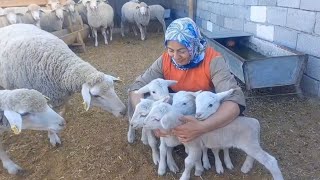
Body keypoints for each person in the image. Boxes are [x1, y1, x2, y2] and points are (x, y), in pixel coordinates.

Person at [128, 17, 246, 143]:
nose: (176, 57)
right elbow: (137, 86)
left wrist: (202, 127)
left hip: (201, 110)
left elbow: (234, 99)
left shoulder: (213, 60)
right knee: (147, 92)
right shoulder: (165, 60)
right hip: (176, 106)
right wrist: (147, 116)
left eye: (182, 51)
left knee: (222, 123)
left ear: (194, 45)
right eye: (171, 50)